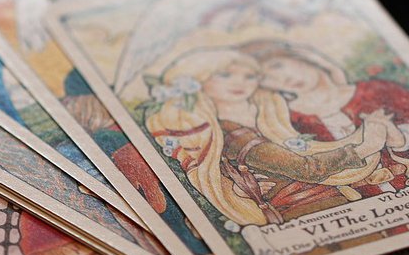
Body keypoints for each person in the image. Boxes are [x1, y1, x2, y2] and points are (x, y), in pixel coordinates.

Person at [143, 48, 394, 225]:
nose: (240, 82)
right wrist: (366, 146)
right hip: (306, 213)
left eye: (249, 76)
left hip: (334, 204)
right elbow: (306, 168)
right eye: (225, 75)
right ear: (198, 80)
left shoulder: (267, 114)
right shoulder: (230, 132)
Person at [241, 39, 409, 199]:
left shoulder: (379, 90)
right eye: (265, 78)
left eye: (277, 66)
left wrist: (399, 138)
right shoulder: (288, 123)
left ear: (302, 57)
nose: (281, 78)